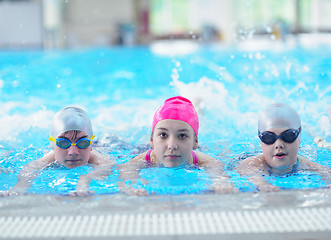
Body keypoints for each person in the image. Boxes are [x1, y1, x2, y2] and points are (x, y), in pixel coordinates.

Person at [118, 96, 236, 195]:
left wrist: (220, 182)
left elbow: (217, 170)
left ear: (195, 142)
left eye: (182, 136)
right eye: (163, 135)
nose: (172, 146)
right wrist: (133, 184)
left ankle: (197, 106)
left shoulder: (202, 160)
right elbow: (127, 169)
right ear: (151, 140)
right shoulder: (145, 159)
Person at [1, 106, 113, 197]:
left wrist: (85, 179)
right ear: (53, 145)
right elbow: (29, 171)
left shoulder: (98, 158)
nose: (73, 152)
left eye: (82, 143)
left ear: (91, 144)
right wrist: (18, 188)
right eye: (63, 143)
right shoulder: (46, 159)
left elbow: (107, 167)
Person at [236, 103, 331, 192]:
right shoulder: (252, 164)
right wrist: (262, 184)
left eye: (288, 136)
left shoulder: (307, 164)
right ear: (261, 141)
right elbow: (251, 174)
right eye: (269, 137)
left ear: (299, 138)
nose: (279, 144)